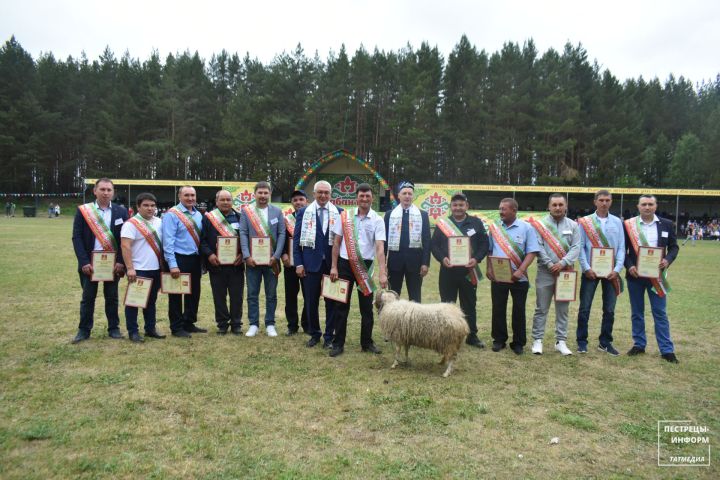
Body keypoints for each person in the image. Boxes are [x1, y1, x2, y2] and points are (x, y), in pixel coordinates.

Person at [328, 183, 388, 357]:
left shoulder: (378, 219)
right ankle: (338, 343)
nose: (364, 199)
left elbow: (379, 248)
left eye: (367, 196)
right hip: (344, 265)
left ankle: (366, 342)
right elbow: (336, 243)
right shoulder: (345, 216)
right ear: (357, 198)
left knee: (366, 309)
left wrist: (382, 272)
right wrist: (333, 266)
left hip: (365, 267)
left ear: (372, 198)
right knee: (341, 306)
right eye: (361, 196)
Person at [623, 194, 680, 363]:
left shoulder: (667, 224)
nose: (647, 207)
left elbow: (674, 247)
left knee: (660, 313)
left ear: (655, 206)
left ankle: (666, 350)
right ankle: (639, 344)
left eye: (650, 204)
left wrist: (667, 260)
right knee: (637, 313)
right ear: (638, 206)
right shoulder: (628, 225)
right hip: (635, 276)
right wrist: (630, 266)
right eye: (644, 204)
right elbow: (623, 251)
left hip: (657, 277)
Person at [71, 178, 128, 343]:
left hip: (113, 264)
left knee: (112, 298)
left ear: (113, 192)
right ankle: (84, 330)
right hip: (90, 264)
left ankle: (114, 329)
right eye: (102, 189)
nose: (106, 193)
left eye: (109, 190)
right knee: (88, 298)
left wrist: (121, 262)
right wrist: (83, 262)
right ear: (95, 191)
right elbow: (77, 237)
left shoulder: (121, 212)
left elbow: (124, 240)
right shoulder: (84, 211)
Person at [430, 192, 489, 348]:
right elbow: (434, 245)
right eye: (455, 205)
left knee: (469, 304)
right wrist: (443, 259)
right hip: (448, 271)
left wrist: (476, 259)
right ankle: (445, 335)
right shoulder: (443, 224)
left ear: (466, 206)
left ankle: (471, 335)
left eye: (461, 205)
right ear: (451, 207)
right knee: (447, 305)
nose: (458, 208)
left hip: (469, 271)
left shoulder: (476, 223)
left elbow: (484, 244)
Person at [528, 194, 582, 356]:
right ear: (549, 206)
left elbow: (576, 247)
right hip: (545, 271)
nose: (558, 208)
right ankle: (537, 341)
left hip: (566, 273)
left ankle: (561, 342)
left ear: (566, 206)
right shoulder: (540, 225)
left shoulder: (573, 225)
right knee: (541, 308)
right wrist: (551, 264)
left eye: (561, 205)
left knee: (563, 309)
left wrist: (563, 263)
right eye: (554, 205)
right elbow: (538, 246)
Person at [487, 198, 540, 355]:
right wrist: (489, 268)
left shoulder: (527, 228)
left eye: (504, 209)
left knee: (518, 310)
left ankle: (518, 342)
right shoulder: (494, 227)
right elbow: (490, 250)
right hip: (498, 277)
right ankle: (499, 339)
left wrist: (521, 270)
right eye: (500, 208)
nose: (500, 211)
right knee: (498, 308)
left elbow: (532, 252)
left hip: (519, 278)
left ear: (514, 210)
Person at [293, 180, 342, 348]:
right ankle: (314, 334)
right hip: (310, 265)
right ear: (313, 194)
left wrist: (338, 265)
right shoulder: (303, 212)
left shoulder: (339, 212)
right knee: (311, 302)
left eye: (326, 193)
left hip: (331, 265)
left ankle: (329, 336)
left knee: (331, 302)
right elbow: (296, 241)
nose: (323, 195)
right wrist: (298, 263)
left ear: (330, 194)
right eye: (319, 192)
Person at [576, 190, 625, 355]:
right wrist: (586, 268)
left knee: (609, 309)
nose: (604, 203)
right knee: (584, 308)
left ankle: (605, 342)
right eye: (601, 200)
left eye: (608, 200)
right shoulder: (585, 222)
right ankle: (581, 342)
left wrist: (617, 270)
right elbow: (580, 247)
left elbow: (621, 248)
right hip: (590, 272)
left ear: (611, 202)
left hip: (611, 273)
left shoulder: (618, 222)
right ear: (595, 201)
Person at [239, 181, 286, 337]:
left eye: (266, 193)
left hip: (272, 261)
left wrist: (276, 256)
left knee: (271, 294)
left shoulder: (278, 212)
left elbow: (281, 235)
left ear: (270, 194)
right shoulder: (247, 212)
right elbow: (243, 234)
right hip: (252, 261)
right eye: (260, 193)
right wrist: (246, 256)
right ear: (255, 194)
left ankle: (270, 324)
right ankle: (253, 324)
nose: (263, 196)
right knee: (252, 294)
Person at [120, 192, 166, 342]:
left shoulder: (160, 222)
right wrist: (130, 268)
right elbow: (125, 246)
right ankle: (133, 331)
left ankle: (150, 328)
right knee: (134, 302)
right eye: (146, 205)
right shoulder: (130, 224)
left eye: (152, 205)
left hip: (156, 268)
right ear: (138, 207)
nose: (150, 208)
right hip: (139, 269)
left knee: (151, 301)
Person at [162, 185, 206, 338]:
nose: (190, 198)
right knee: (176, 294)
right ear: (179, 196)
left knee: (194, 293)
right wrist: (172, 264)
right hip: (178, 258)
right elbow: (168, 242)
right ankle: (176, 327)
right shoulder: (172, 215)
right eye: (186, 195)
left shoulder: (198, 215)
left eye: (193, 195)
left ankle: (189, 322)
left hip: (195, 259)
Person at [200, 190, 245, 335]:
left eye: (228, 199)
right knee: (219, 296)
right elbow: (203, 241)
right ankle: (222, 324)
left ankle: (236, 323)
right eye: (222, 200)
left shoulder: (240, 217)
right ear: (217, 201)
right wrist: (210, 254)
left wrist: (243, 255)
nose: (225, 202)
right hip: (216, 264)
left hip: (236, 265)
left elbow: (246, 239)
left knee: (236, 296)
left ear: (232, 202)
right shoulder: (209, 218)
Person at [384, 181, 431, 303]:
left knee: (415, 297)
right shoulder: (389, 215)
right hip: (394, 263)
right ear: (398, 195)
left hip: (415, 263)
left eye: (410, 193)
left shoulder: (423, 215)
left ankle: (415, 322)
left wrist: (425, 263)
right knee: (393, 297)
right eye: (404, 193)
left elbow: (427, 240)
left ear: (413, 196)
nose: (407, 196)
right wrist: (383, 264)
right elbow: (384, 241)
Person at [282, 190, 309, 336]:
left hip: (308, 264)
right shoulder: (286, 220)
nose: (298, 202)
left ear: (307, 201)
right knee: (290, 296)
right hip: (290, 264)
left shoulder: (312, 219)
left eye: (301, 199)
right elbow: (280, 240)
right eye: (295, 200)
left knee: (309, 296)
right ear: (292, 203)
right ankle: (292, 325)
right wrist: (283, 254)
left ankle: (307, 324)